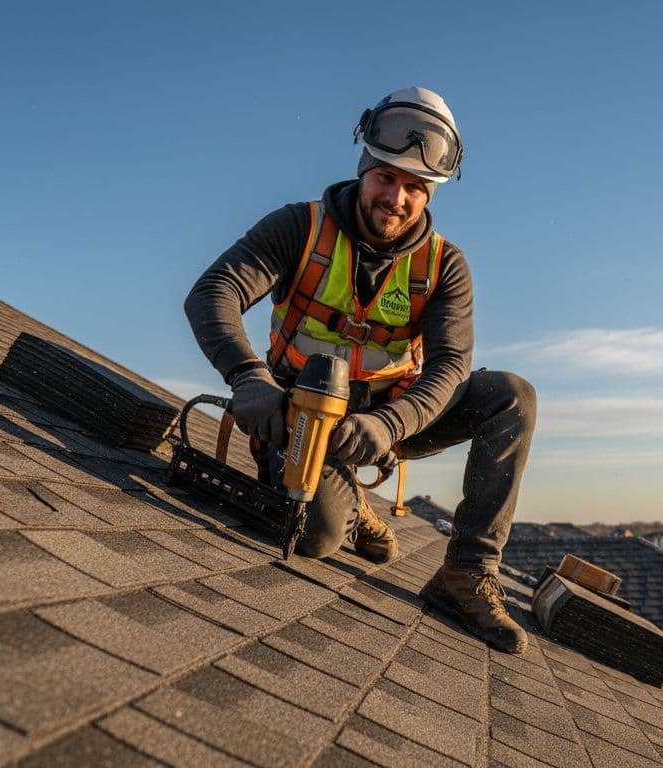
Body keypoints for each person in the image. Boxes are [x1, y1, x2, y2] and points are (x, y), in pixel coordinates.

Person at [184, 86, 536, 654]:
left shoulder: (444, 266)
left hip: (388, 422)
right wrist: (248, 376)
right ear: (363, 168)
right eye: (386, 178)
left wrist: (392, 425)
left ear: (430, 195)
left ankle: (465, 574)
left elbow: (450, 366)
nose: (397, 198)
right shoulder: (299, 227)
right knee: (317, 538)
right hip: (302, 415)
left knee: (510, 395)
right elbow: (213, 293)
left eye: (415, 188)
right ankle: (344, 503)